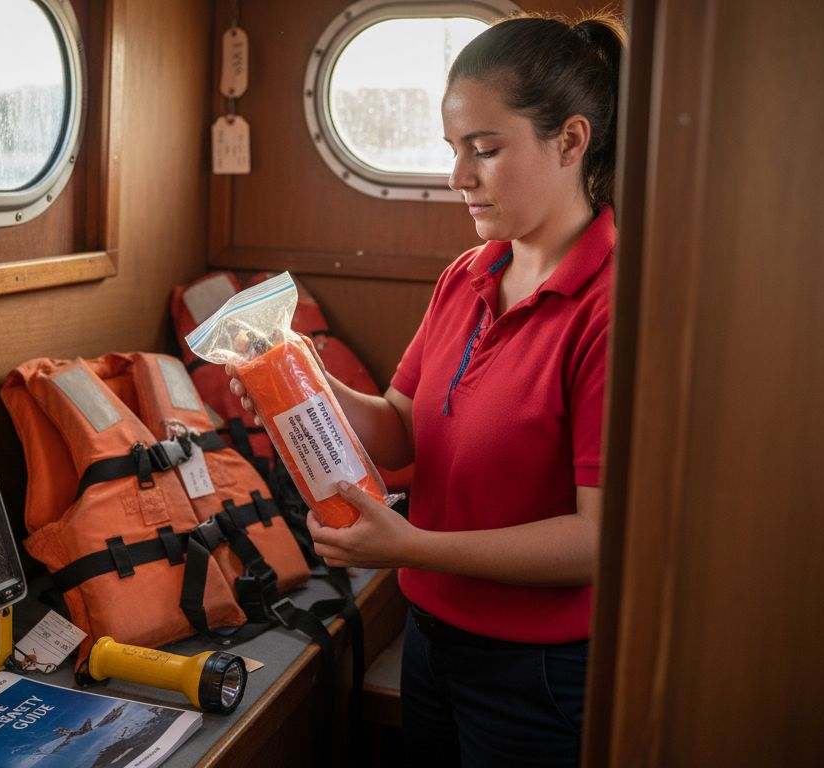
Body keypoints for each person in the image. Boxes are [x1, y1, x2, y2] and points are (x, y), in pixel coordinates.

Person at [228, 11, 624, 767]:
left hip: (537, 672)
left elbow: (599, 541)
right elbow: (402, 428)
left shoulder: (614, 305)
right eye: (453, 151)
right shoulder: (469, 275)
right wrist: (297, 378)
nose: (458, 178)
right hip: (432, 637)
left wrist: (412, 545)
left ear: (570, 141)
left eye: (485, 150)